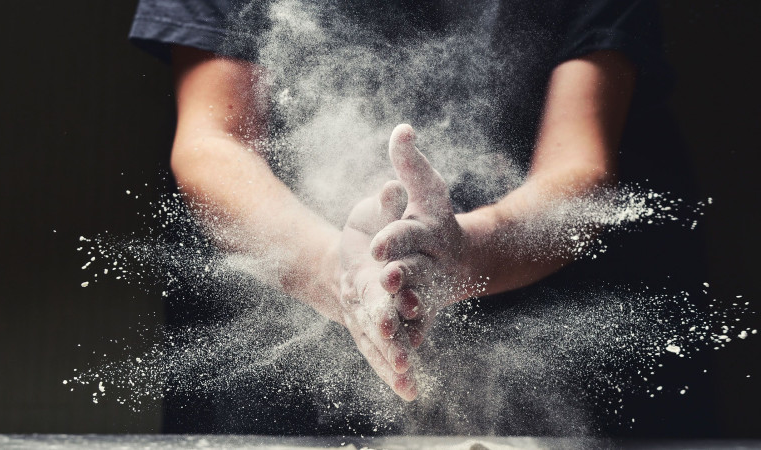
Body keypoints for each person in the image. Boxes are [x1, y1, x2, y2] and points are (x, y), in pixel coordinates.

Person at [130, 0, 716, 437]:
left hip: (545, 305)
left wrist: (464, 255)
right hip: (288, 330)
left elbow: (579, 168)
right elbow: (213, 145)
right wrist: (335, 271)